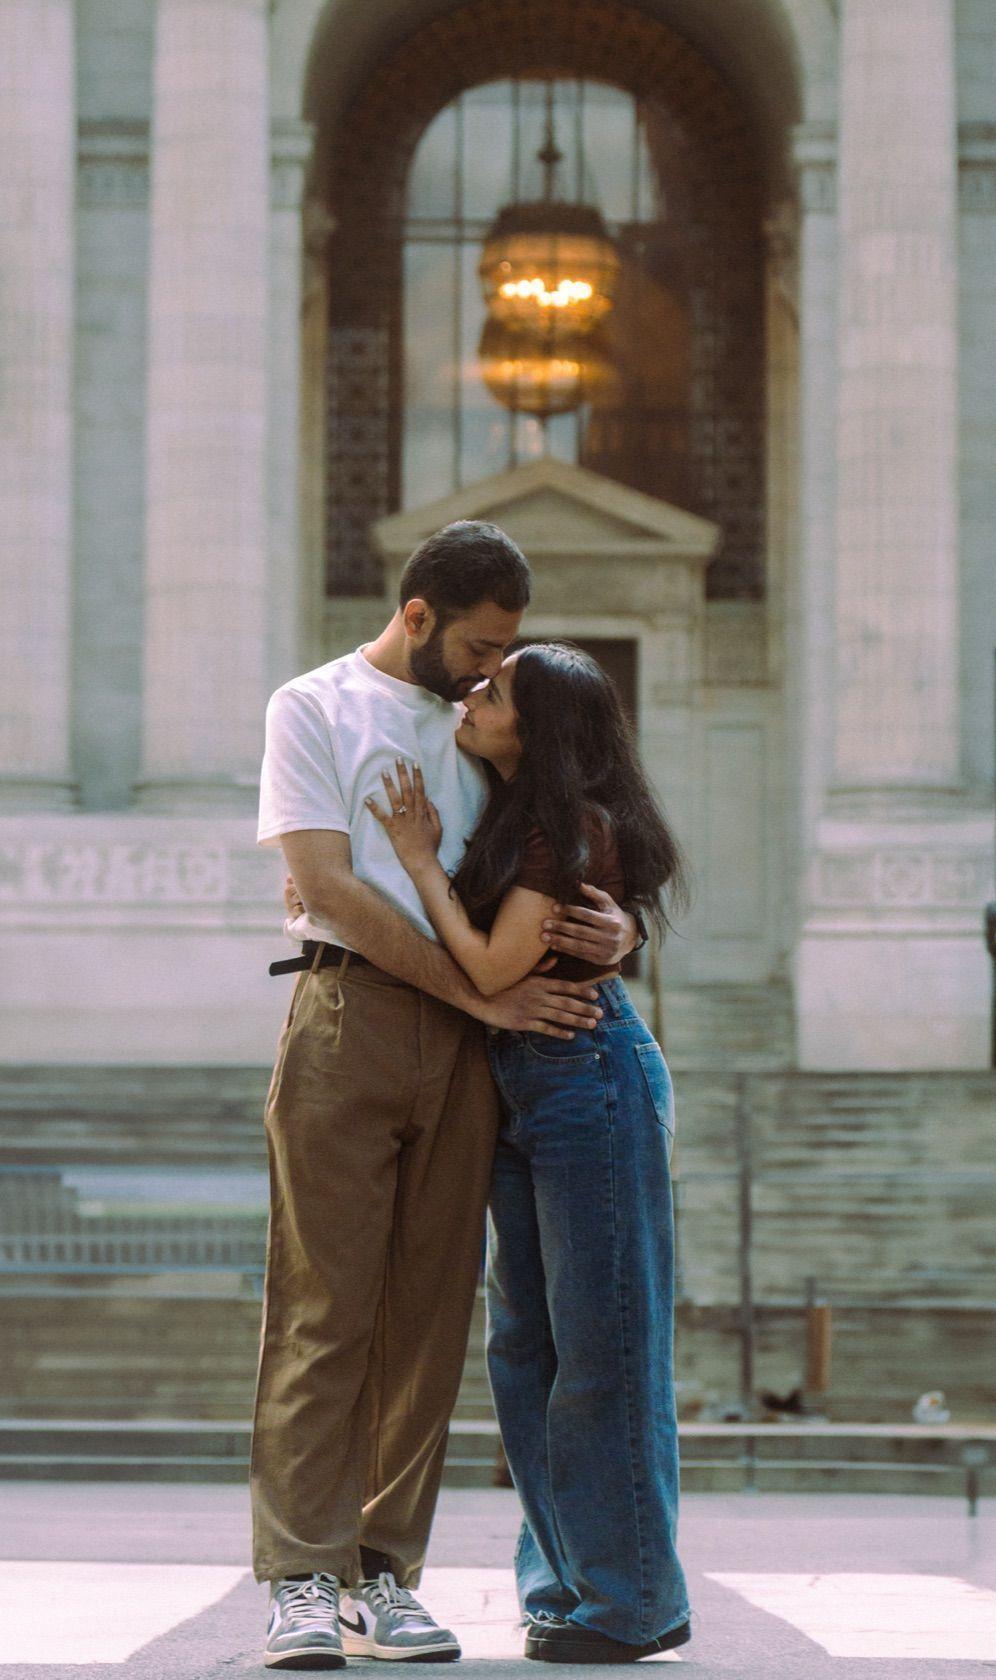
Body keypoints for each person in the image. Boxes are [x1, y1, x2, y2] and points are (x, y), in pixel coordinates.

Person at [252, 522, 640, 1670]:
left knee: (430, 1316)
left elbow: (573, 834)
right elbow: (325, 883)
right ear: (416, 615)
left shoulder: (489, 727)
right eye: (476, 643)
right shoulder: (310, 706)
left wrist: (617, 926)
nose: (489, 671)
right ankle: (299, 1579)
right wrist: (478, 1000)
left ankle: (385, 1575)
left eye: (505, 652)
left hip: (482, 1050)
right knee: (324, 1311)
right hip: (346, 1017)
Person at [369, 642, 690, 1666]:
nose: (472, 694)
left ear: (537, 728)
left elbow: (496, 963)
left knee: (605, 1345)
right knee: (525, 1350)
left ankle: (634, 1597)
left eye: (494, 689)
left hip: (585, 1074)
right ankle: (564, 1584)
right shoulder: (513, 812)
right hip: (522, 1080)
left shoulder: (562, 826)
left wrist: (416, 860)